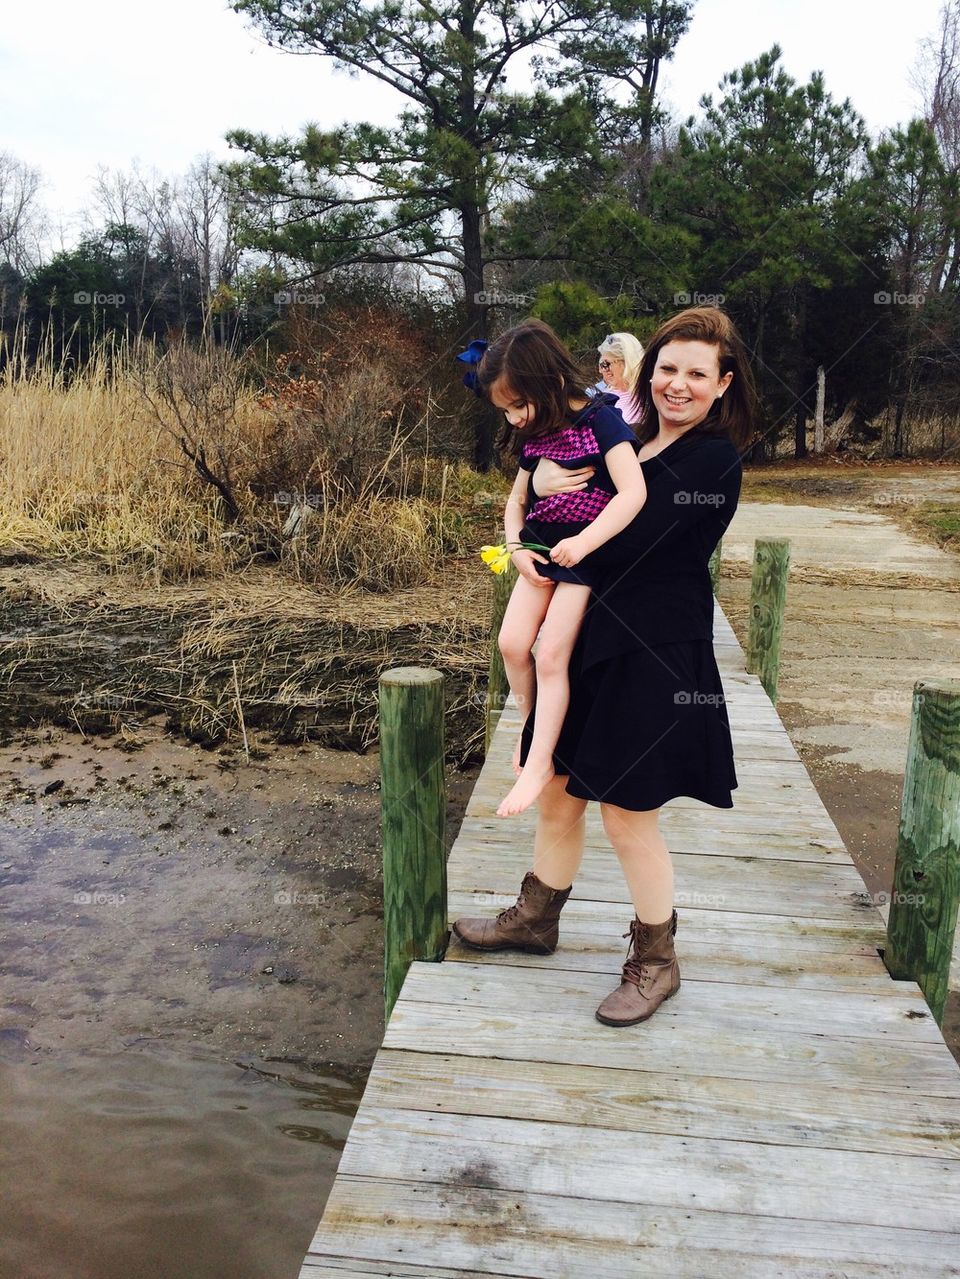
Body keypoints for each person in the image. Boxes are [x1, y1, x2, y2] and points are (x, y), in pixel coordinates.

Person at [453, 306, 759, 1028]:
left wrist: (557, 509)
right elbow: (546, 509)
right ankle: (535, 917)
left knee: (628, 812)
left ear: (722, 383)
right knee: (559, 791)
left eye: (695, 373)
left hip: (652, 649)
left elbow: (639, 540)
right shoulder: (627, 437)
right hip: (587, 638)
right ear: (646, 370)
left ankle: (657, 959)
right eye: (666, 367)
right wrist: (529, 536)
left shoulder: (714, 460)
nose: (676, 384)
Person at [474, 319, 648, 818]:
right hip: (539, 550)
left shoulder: (603, 422)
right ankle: (532, 730)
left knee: (550, 654)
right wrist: (515, 548)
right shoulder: (537, 434)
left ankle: (539, 762)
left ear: (549, 383)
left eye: (517, 406)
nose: (512, 420)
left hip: (585, 556)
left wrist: (585, 541)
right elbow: (516, 501)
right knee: (511, 644)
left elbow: (634, 492)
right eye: (504, 410)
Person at [597, 332, 645, 424]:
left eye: (606, 364)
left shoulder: (649, 396)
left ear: (626, 363)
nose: (602, 370)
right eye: (601, 365)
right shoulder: (603, 398)